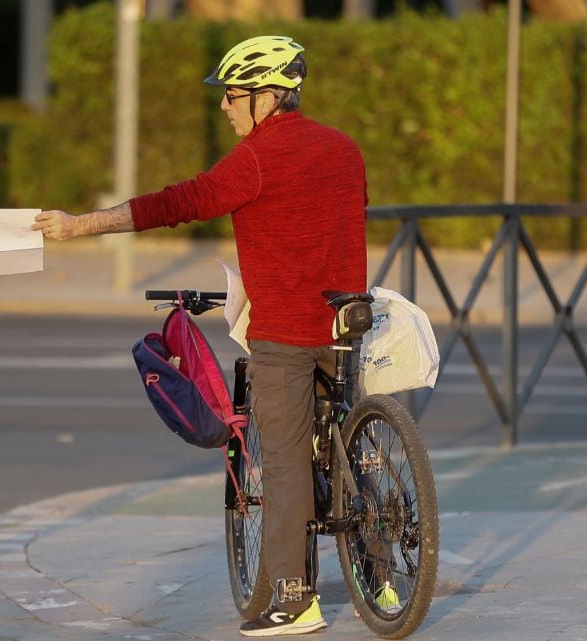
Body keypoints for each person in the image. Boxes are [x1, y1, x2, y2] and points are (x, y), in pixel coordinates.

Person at [33, 36, 368, 637]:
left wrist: (80, 225)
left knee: (285, 464)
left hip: (286, 332)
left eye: (233, 95)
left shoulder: (255, 159)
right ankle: (382, 573)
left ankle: (295, 600)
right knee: (354, 448)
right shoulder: (345, 149)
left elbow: (177, 203)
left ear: (267, 96)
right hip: (346, 323)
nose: (224, 106)